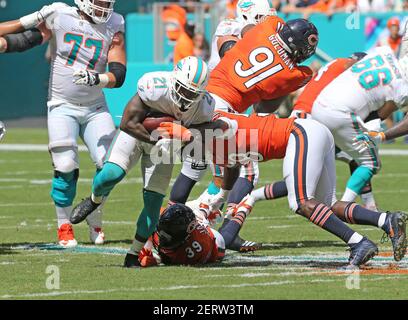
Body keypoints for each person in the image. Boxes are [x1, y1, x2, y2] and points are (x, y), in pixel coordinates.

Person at [158, 110, 408, 267]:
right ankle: (387, 220)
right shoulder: (213, 142)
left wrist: (182, 131)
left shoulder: (213, 124)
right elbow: (231, 170)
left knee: (300, 202)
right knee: (326, 205)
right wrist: (225, 200)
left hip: (299, 133)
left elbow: (222, 127)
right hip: (311, 131)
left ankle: (359, 243)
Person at [170, 16, 317, 251]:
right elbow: (265, 108)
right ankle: (211, 222)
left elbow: (250, 34)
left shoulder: (266, 26)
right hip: (223, 113)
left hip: (202, 96)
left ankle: (198, 216)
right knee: (244, 172)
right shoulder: (297, 74)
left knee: (205, 167)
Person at [0, 0, 127, 247]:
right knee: (65, 163)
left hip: (95, 108)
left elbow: (118, 74)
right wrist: (5, 43)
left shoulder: (114, 23)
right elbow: (25, 40)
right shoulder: (60, 14)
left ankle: (94, 216)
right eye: (100, 2)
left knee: (108, 165)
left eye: (107, 2)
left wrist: (97, 78)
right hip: (61, 105)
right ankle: (64, 225)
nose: (104, 7)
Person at [69, 56, 215, 268]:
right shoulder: (154, 86)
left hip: (165, 148)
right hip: (138, 135)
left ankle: (133, 254)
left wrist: (185, 137)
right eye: (183, 90)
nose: (186, 97)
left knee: (153, 203)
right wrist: (157, 138)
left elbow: (207, 133)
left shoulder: (204, 108)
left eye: (193, 94)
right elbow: (128, 123)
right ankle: (94, 199)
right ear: (174, 80)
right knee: (110, 175)